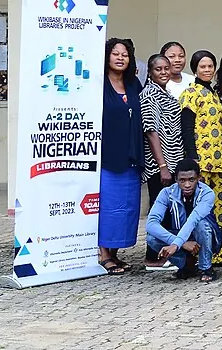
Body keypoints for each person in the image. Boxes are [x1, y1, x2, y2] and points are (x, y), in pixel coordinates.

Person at [178, 50, 222, 265]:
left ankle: (221, 251)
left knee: (220, 209)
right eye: (202, 67)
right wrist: (193, 158)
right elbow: (187, 127)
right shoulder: (191, 92)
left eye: (210, 66)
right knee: (202, 210)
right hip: (202, 161)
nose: (207, 70)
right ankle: (203, 253)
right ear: (195, 69)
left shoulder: (215, 92)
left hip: (220, 162)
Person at [99, 38, 144, 275]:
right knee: (108, 206)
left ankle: (116, 253)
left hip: (132, 155)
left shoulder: (133, 83)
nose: (120, 58)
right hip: (108, 155)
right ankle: (104, 254)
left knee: (127, 207)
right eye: (115, 54)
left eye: (124, 55)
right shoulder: (99, 84)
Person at [145, 158, 222, 282]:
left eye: (191, 180)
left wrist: (176, 244)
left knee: (201, 225)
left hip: (206, 237)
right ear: (176, 179)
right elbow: (151, 224)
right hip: (182, 236)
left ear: (199, 178)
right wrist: (181, 243)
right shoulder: (166, 193)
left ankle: (206, 267)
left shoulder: (207, 193)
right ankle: (187, 265)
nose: (187, 185)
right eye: (182, 180)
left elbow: (194, 219)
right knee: (151, 238)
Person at [140, 53, 185, 268]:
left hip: (172, 162)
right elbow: (151, 131)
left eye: (166, 68)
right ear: (150, 72)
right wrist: (163, 166)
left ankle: (163, 254)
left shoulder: (164, 92)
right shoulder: (150, 94)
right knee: (159, 210)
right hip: (160, 164)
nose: (164, 72)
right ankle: (152, 257)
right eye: (158, 69)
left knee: (167, 209)